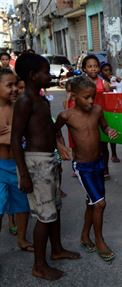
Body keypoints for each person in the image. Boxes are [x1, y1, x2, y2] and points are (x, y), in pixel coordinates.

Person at [11, 53, 80, 281]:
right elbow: (15, 140)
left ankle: (57, 249)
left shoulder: (41, 99)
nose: (49, 75)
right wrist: (24, 174)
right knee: (45, 215)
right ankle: (39, 265)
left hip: (49, 160)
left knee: (55, 208)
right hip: (36, 163)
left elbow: (46, 129)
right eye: (44, 71)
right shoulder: (25, 102)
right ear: (32, 76)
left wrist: (59, 146)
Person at [55, 76, 118, 262]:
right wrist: (60, 145)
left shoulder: (98, 110)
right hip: (82, 167)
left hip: (99, 163)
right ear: (74, 96)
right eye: (86, 97)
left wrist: (109, 131)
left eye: (93, 97)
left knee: (93, 202)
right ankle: (100, 241)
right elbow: (54, 130)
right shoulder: (66, 115)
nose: (91, 101)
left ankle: (84, 236)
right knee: (100, 203)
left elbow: (105, 127)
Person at [0, 68, 33, 252]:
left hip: (19, 165)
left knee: (22, 205)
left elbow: (26, 135)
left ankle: (22, 239)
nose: (14, 89)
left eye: (16, 85)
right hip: (0, 167)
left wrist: (13, 134)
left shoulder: (20, 107)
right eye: (9, 85)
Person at [81, 55, 113, 179]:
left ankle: (105, 169)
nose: (93, 69)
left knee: (103, 145)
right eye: (90, 67)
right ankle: (93, 169)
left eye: (95, 66)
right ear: (84, 69)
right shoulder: (82, 83)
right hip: (87, 118)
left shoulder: (104, 83)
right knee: (91, 145)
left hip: (102, 118)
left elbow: (110, 99)